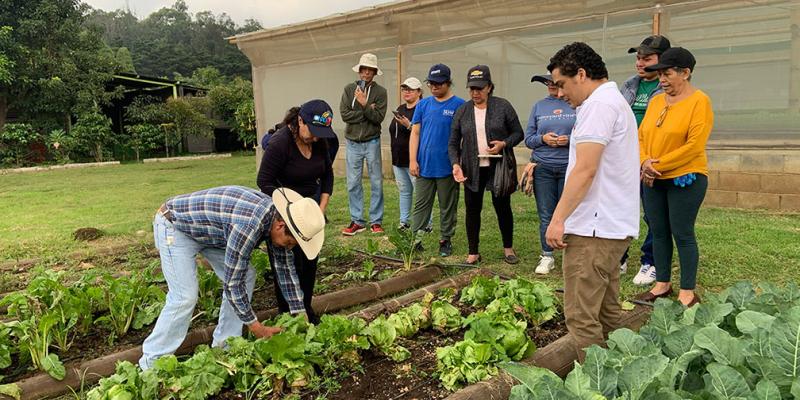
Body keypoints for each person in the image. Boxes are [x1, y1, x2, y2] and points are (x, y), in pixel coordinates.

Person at [139, 185, 325, 370]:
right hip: (175, 225)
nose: (289, 247)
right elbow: (233, 284)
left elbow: (285, 270)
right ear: (280, 226)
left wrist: (301, 316)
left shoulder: (276, 219)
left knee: (246, 275)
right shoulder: (249, 225)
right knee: (184, 296)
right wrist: (256, 327)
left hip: (209, 233)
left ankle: (224, 346)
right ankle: (151, 363)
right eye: (290, 242)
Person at [544, 42, 640, 362]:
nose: (559, 93)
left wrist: (558, 219)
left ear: (581, 74)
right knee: (607, 311)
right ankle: (625, 372)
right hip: (611, 226)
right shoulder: (613, 102)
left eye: (562, 84)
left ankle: (597, 383)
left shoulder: (598, 106)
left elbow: (585, 169)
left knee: (581, 317)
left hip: (594, 230)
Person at [636, 47, 712, 307]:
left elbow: (694, 145)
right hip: (653, 177)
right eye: (660, 75)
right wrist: (644, 161)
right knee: (658, 231)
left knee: (682, 233)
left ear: (686, 73)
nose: (662, 80)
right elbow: (642, 135)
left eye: (667, 74)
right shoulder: (657, 101)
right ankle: (662, 284)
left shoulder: (699, 101)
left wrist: (658, 165)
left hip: (685, 178)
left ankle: (687, 291)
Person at [257, 99, 337, 324]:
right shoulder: (280, 143)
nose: (316, 137)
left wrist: (320, 210)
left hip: (309, 209)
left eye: (321, 133)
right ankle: (288, 314)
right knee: (286, 262)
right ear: (300, 121)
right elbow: (264, 181)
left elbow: (328, 176)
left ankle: (306, 308)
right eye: (312, 131)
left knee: (309, 261)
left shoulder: (320, 142)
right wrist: (287, 209)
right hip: (285, 209)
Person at [449, 65, 523, 265]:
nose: (475, 92)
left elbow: (518, 133)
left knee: (502, 207)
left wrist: (504, 144)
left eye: (479, 88)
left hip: (498, 166)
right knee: (472, 209)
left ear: (489, 87)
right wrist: (456, 164)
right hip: (472, 168)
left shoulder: (503, 106)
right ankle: (473, 252)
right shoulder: (463, 111)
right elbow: (453, 142)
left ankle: (508, 248)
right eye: (472, 88)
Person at [619, 35, 671, 284]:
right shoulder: (629, 86)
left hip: (651, 161)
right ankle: (619, 258)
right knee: (620, 209)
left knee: (652, 214)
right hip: (625, 159)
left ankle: (650, 261)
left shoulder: (668, 90)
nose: (640, 63)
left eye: (647, 58)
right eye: (638, 58)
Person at [409, 63, 465, 257]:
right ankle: (415, 240)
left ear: (448, 83)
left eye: (438, 84)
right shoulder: (423, 105)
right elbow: (415, 133)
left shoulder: (459, 105)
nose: (434, 87)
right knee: (421, 204)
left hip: (447, 166)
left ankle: (445, 240)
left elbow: (463, 136)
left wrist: (459, 163)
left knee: (447, 205)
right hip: (424, 165)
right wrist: (412, 160)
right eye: (431, 83)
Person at [524, 73, 576, 274]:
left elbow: (584, 133)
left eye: (554, 82)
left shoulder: (574, 103)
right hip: (543, 166)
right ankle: (547, 256)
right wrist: (543, 139)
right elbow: (528, 138)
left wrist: (569, 140)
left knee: (569, 212)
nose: (551, 86)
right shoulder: (538, 106)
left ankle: (570, 255)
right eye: (547, 83)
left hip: (568, 166)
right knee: (546, 212)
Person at [339, 53, 388, 236]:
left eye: (370, 70)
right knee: (353, 182)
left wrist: (364, 104)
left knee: (376, 182)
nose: (367, 73)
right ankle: (357, 220)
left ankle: (376, 221)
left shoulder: (380, 92)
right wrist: (368, 109)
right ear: (359, 71)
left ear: (375, 72)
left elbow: (378, 118)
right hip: (352, 142)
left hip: (372, 141)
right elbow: (345, 115)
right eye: (364, 69)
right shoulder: (348, 89)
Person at [389, 77, 432, 231]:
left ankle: (426, 223)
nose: (406, 92)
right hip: (398, 159)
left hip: (414, 159)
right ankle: (404, 221)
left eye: (410, 89)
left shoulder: (423, 108)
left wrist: (409, 125)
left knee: (421, 193)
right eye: (404, 89)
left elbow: (424, 133)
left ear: (419, 92)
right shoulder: (400, 108)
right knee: (404, 191)